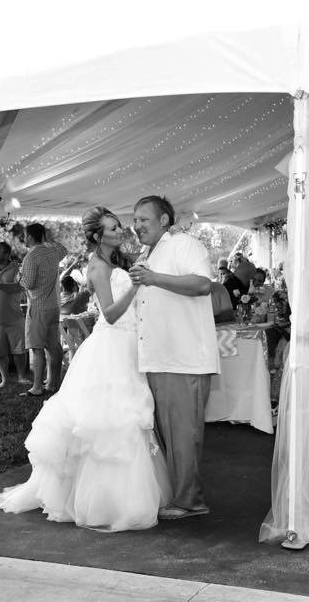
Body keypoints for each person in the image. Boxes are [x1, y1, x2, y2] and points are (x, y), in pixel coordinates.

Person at [0, 206, 169, 531]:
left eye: (119, 225)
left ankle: (128, 494)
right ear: (97, 236)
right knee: (108, 421)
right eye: (113, 228)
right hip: (111, 347)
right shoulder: (97, 266)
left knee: (127, 417)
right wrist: (136, 287)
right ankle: (106, 501)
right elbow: (108, 314)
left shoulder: (116, 262)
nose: (120, 231)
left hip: (127, 345)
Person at [130, 195, 218, 521]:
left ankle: (190, 502)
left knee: (183, 435)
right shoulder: (145, 255)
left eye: (143, 219)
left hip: (184, 357)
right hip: (157, 357)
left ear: (164, 220)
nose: (137, 226)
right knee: (167, 434)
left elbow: (202, 283)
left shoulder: (184, 245)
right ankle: (177, 495)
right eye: (135, 220)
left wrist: (154, 278)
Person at [19, 223, 67, 396]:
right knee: (53, 346)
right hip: (54, 306)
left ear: (30, 236)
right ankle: (53, 383)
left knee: (37, 348)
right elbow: (64, 249)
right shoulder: (53, 252)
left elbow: (28, 283)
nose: (23, 238)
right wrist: (48, 240)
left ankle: (37, 387)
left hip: (38, 307)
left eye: (25, 235)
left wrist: (19, 278)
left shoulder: (30, 258)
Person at [0, 241, 29, 389]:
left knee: (19, 349)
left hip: (14, 317)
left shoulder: (17, 268)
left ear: (6, 254)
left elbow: (20, 286)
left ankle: (22, 377)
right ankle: (4, 379)